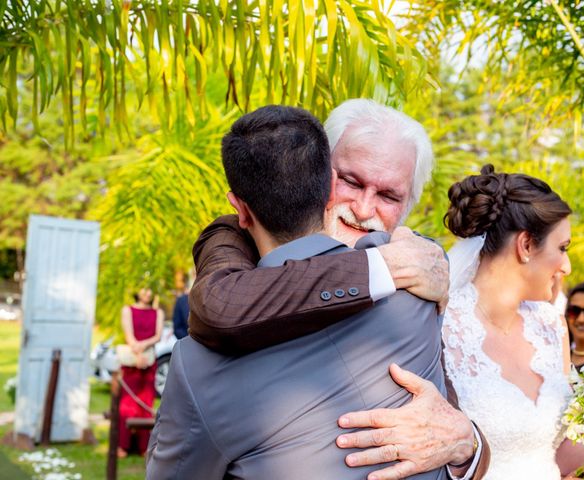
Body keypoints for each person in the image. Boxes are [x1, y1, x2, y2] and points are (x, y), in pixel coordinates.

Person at [146, 105, 482, 479]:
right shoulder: (234, 265)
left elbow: (448, 410)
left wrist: (467, 443)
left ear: (408, 207)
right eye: (351, 182)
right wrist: (381, 268)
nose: (363, 208)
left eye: (388, 196)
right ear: (319, 175)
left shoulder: (424, 286)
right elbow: (221, 303)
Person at [436, 165, 584, 478]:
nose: (566, 266)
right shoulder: (441, 327)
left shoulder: (551, 325)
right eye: (562, 248)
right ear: (526, 246)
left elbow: (555, 458)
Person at [118, 287, 164, 458]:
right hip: (132, 361)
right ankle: (124, 445)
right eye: (144, 289)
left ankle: (144, 446)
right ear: (137, 290)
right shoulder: (127, 310)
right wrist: (136, 353)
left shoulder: (157, 312)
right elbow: (128, 334)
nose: (147, 292)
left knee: (146, 403)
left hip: (148, 359)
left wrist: (143, 349)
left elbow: (158, 336)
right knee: (127, 404)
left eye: (149, 289)